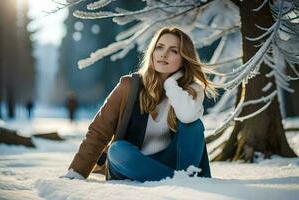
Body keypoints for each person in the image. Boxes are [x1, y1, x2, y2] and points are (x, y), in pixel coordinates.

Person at [62, 27, 217, 182]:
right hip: (131, 165)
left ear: (184, 58)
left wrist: (171, 85)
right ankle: (183, 182)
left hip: (174, 165)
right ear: (152, 52)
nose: (163, 54)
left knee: (193, 125)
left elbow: (188, 116)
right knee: (116, 150)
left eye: (173, 51)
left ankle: (181, 179)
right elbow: (98, 131)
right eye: (159, 47)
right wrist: (77, 172)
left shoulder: (191, 90)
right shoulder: (129, 86)